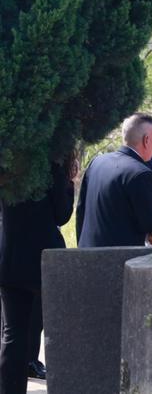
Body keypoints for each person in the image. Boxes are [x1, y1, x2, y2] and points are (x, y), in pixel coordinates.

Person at [0, 157, 76, 394]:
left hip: (10, 253)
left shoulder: (8, 164)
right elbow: (62, 214)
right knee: (53, 326)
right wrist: (69, 184)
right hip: (44, 255)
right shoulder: (51, 168)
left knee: (13, 332)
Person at [76, 113, 152, 247]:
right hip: (117, 256)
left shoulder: (97, 162)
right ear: (146, 140)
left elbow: (81, 210)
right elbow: (150, 223)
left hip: (88, 249)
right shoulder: (140, 173)